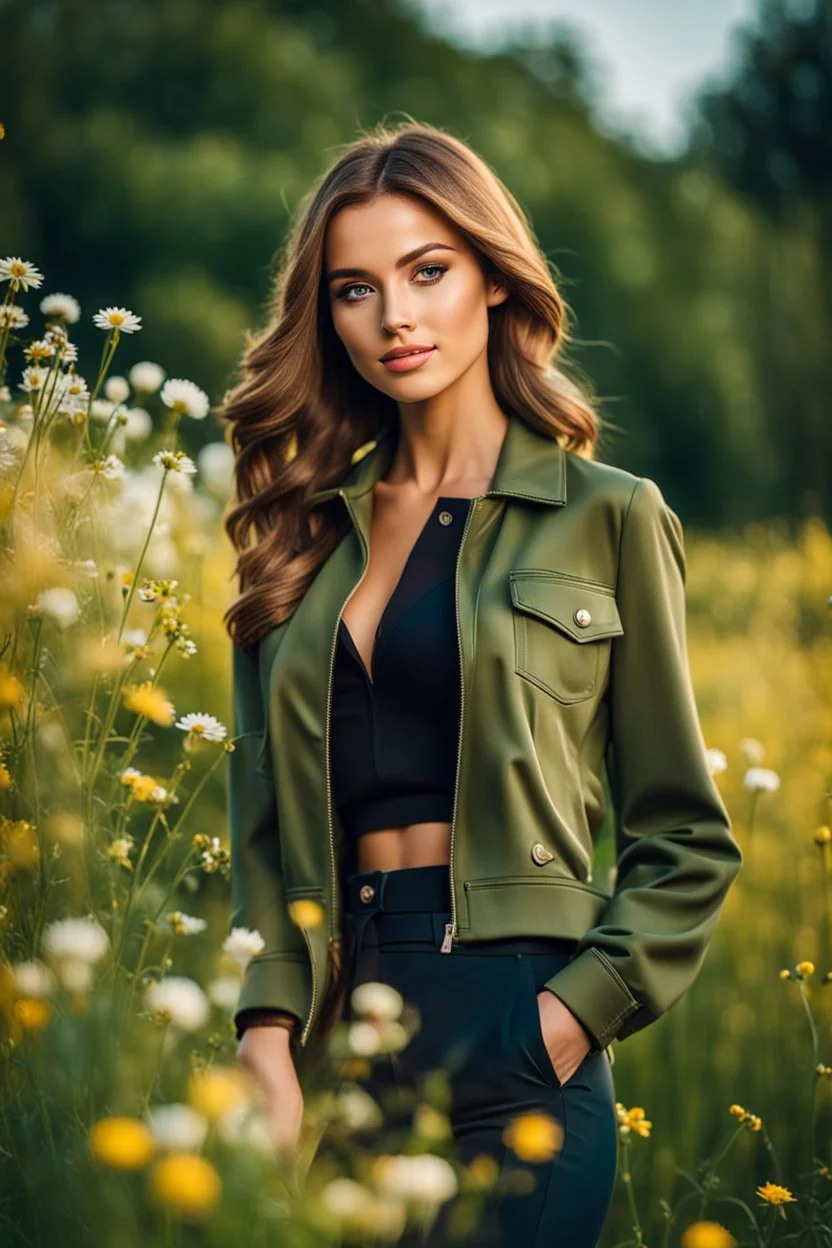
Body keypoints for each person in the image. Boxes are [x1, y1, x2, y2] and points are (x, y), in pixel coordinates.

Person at [219, 120, 743, 1247]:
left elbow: (685, 837)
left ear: (495, 282)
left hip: (519, 1035)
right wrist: (267, 1026)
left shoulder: (609, 515)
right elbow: (258, 824)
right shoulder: (299, 539)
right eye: (355, 289)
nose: (394, 317)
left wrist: (565, 1021)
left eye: (427, 273)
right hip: (341, 1037)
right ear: (327, 316)